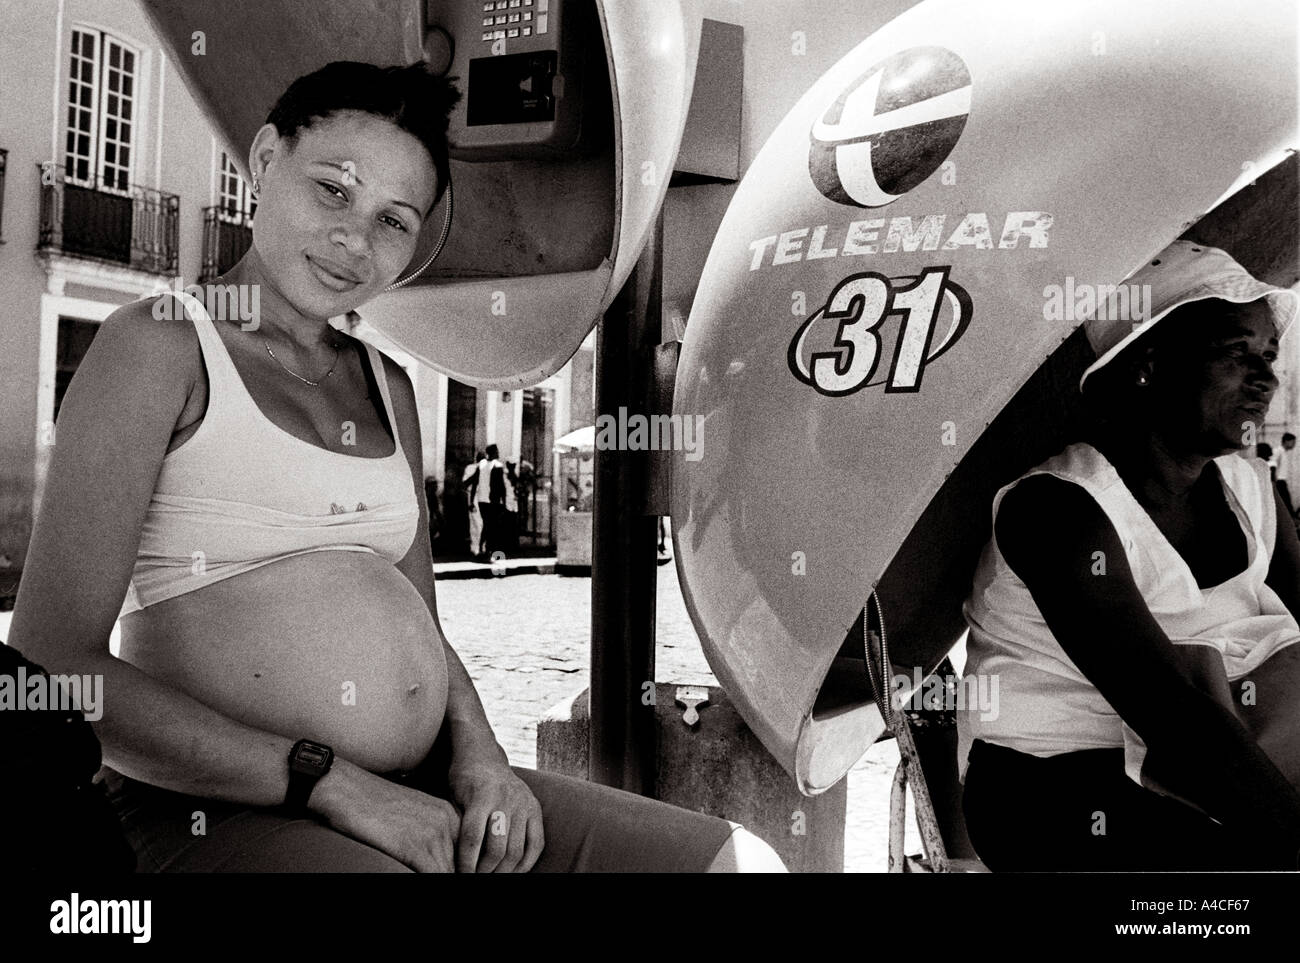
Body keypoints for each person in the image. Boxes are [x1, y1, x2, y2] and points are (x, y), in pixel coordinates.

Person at [8, 60, 783, 873]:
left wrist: (481, 756)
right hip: (212, 810)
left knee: (737, 863)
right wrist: (327, 781)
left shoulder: (388, 385)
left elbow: (424, 627)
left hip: (415, 788)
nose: (354, 240)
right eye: (333, 190)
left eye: (394, 220)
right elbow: (52, 667)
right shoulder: (162, 346)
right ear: (266, 159)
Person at [957, 240, 1300, 871]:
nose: (1265, 379)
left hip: (1218, 754)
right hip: (1060, 788)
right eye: (1235, 353)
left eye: (1269, 356)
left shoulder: (1252, 486)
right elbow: (1173, 719)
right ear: (1148, 365)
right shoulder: (1061, 511)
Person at [462, 452, 484, 556]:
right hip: (474, 496)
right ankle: (476, 548)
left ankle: (481, 548)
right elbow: (465, 484)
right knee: (476, 522)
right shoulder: (470, 468)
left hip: (485, 497)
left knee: (483, 523)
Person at [1275, 432, 1298, 517]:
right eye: (1293, 442)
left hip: (1282, 481)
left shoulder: (1283, 452)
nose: (1294, 445)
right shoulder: (1278, 451)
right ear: (1286, 441)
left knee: (1286, 503)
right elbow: (1272, 465)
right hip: (1279, 482)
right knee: (1286, 503)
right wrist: (1274, 480)